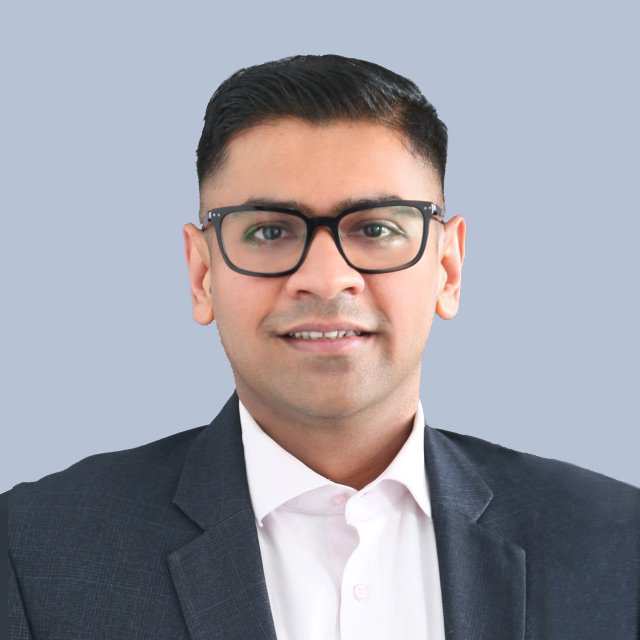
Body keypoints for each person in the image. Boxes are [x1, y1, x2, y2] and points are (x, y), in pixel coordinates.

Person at [7, 54, 639, 640]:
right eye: (269, 231)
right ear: (202, 275)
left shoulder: (615, 541)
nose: (326, 277)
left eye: (376, 228)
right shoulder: (35, 552)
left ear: (447, 269)